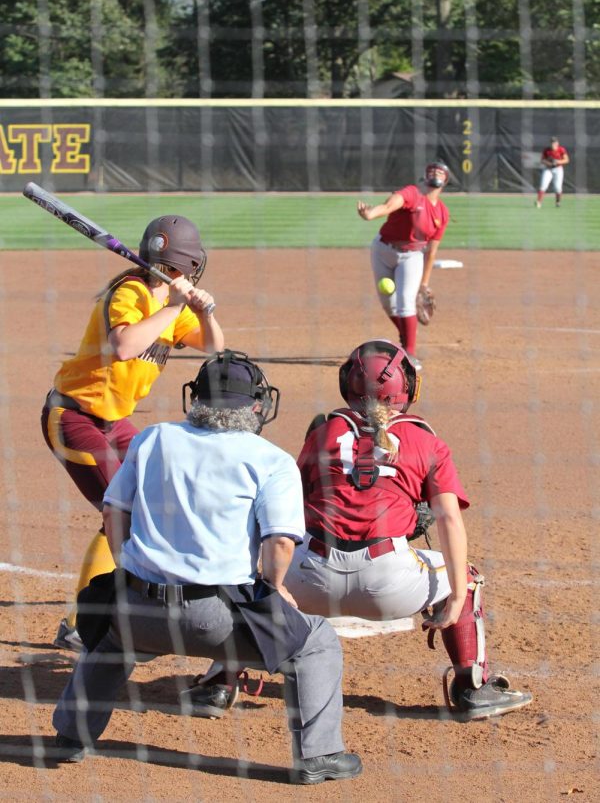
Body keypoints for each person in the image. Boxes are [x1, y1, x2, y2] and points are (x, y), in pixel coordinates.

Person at [51, 350, 362, 785]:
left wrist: (131, 568)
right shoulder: (270, 460)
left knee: (109, 634)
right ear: (257, 405)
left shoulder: (153, 438)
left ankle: (70, 737)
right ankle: (320, 756)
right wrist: (274, 588)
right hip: (213, 620)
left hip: (138, 612)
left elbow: (113, 512)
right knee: (316, 643)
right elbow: (278, 543)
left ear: (195, 399)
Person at [283, 339, 533, 721]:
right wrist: (453, 595)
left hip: (309, 583)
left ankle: (221, 681)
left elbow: (292, 507)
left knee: (245, 576)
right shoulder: (426, 440)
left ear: (346, 383)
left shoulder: (322, 432)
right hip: (390, 586)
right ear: (408, 390)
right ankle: (472, 688)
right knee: (465, 577)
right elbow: (449, 520)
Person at [42, 215, 225, 653]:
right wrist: (175, 307)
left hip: (115, 421)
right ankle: (77, 624)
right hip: (73, 418)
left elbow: (216, 347)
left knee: (150, 496)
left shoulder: (165, 297)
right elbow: (124, 345)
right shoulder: (131, 291)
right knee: (119, 513)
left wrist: (200, 310)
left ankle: (133, 597)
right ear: (187, 262)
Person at [356, 161, 451, 372]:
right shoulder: (412, 193)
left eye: (441, 171)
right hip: (383, 250)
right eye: (432, 170)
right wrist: (371, 214)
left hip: (412, 256)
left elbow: (432, 251)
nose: (436, 173)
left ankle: (409, 353)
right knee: (388, 303)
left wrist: (424, 284)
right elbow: (390, 205)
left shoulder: (442, 214)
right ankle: (404, 333)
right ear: (426, 176)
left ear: (446, 180)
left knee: (405, 302)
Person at [536, 136, 569, 208]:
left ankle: (558, 202)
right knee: (543, 186)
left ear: (557, 143)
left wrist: (557, 162)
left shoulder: (561, 149)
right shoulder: (546, 150)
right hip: (548, 169)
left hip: (558, 169)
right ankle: (538, 202)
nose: (553, 144)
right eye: (552, 142)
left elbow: (566, 160)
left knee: (558, 188)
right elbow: (542, 160)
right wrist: (549, 163)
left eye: (554, 142)